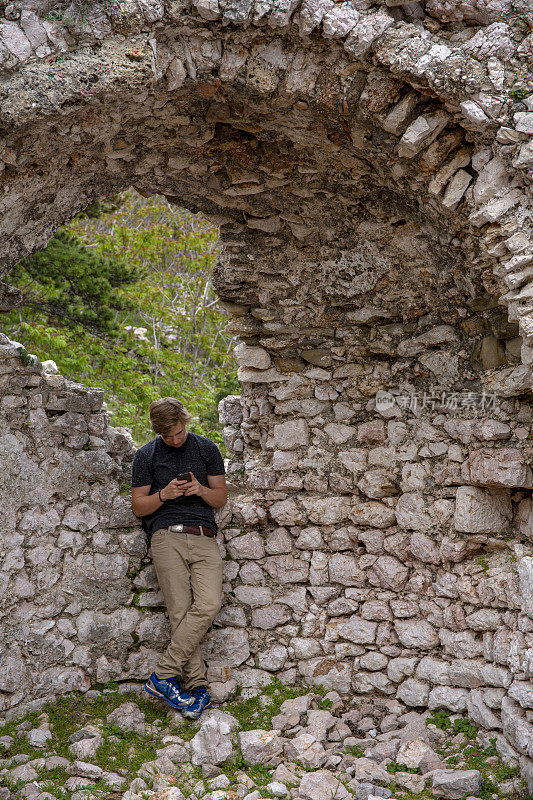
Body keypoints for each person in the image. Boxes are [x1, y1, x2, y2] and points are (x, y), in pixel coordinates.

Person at [131, 397, 227, 719]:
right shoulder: (146, 456)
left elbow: (220, 497)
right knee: (180, 612)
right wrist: (164, 494)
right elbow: (138, 507)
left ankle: (162, 675)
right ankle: (198, 689)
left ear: (186, 421)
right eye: (168, 435)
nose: (175, 439)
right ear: (158, 432)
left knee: (209, 603)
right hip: (166, 536)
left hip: (204, 536)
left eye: (179, 431)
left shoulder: (206, 449)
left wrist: (199, 490)